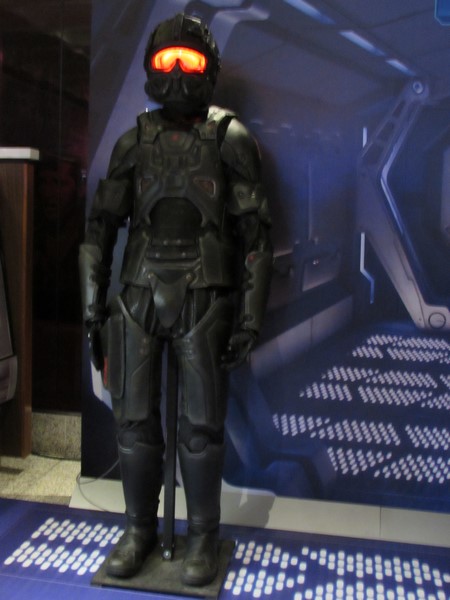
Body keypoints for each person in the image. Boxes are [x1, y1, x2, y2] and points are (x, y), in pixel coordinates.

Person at [79, 12, 272, 587]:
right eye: (168, 60)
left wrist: (250, 317)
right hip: (138, 293)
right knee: (134, 423)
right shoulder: (132, 142)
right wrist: (92, 309)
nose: (179, 72)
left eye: (191, 60)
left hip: (205, 295)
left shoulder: (230, 139)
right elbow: (99, 230)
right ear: (151, 68)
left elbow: (256, 237)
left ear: (209, 68)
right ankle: (139, 530)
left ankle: (203, 536)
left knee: (201, 427)